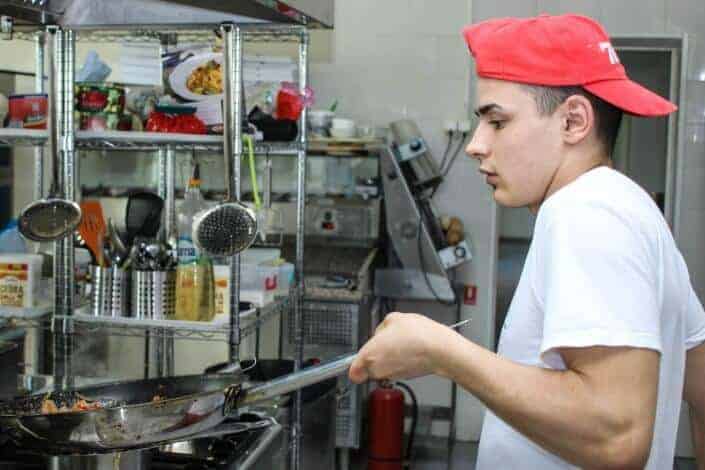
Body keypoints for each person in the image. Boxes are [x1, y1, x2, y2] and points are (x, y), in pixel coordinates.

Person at [349, 14, 705, 469]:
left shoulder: (585, 211)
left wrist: (443, 352)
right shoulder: (633, 209)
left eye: (497, 122)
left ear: (573, 121)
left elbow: (618, 436)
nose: (477, 144)